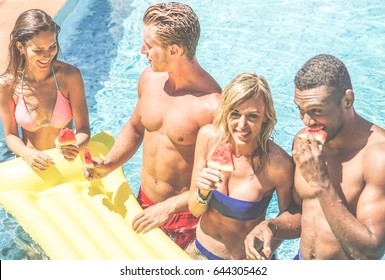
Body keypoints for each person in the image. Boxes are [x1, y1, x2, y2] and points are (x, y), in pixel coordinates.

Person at [84, 2, 221, 249]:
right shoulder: (149, 80)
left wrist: (168, 207)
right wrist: (109, 164)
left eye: (149, 46)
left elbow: (218, 181)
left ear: (174, 50)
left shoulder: (210, 105)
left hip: (185, 218)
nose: (141, 51)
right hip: (143, 203)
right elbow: (136, 127)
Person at [245, 54, 385, 260]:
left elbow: (371, 251)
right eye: (300, 110)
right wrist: (270, 227)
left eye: (316, 111)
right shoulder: (304, 141)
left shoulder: (377, 158)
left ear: (348, 100)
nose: (307, 121)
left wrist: (321, 184)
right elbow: (302, 213)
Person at [184, 73, 294, 260]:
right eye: (235, 113)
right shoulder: (208, 138)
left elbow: (291, 218)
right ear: (225, 111)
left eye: (252, 116)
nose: (241, 125)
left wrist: (266, 244)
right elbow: (195, 209)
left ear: (265, 118)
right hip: (199, 253)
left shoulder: (278, 164)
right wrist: (202, 192)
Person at [0, 9, 90, 170]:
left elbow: (84, 129)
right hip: (31, 165)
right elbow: (10, 135)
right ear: (20, 47)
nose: (47, 55)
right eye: (38, 50)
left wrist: (76, 144)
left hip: (67, 164)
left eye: (52, 46)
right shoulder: (8, 84)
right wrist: (26, 153)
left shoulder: (70, 76)